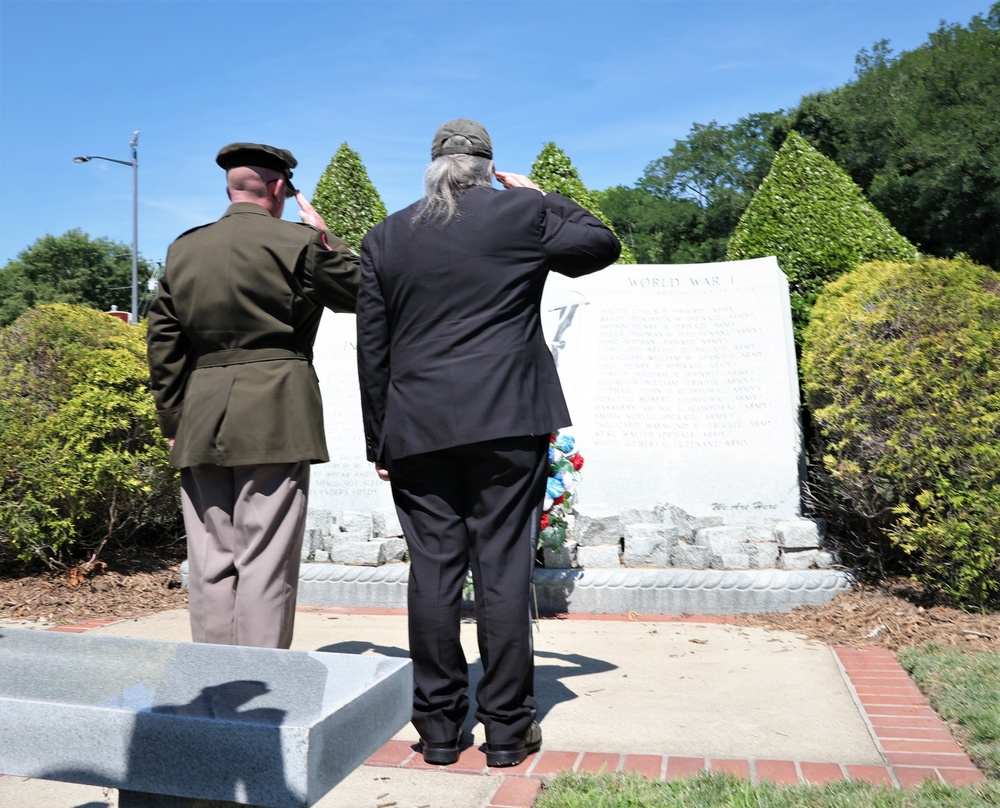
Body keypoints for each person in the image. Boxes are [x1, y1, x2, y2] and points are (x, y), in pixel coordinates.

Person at [356, 119, 621, 767]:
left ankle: (439, 729)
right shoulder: (522, 211)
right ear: (487, 167)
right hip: (508, 418)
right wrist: (540, 193)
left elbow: (372, 348)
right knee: (503, 570)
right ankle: (507, 729)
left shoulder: (385, 236)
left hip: (417, 427)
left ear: (432, 169)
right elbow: (601, 245)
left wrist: (379, 441)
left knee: (434, 572)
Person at [147, 142, 361, 649]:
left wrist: (174, 421)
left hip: (201, 416)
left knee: (210, 560)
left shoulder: (184, 248)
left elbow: (164, 341)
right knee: (264, 560)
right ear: (280, 188)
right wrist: (327, 236)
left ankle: (214, 688)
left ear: (231, 187)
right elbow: (361, 292)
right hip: (276, 413)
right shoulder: (299, 244)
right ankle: (261, 684)